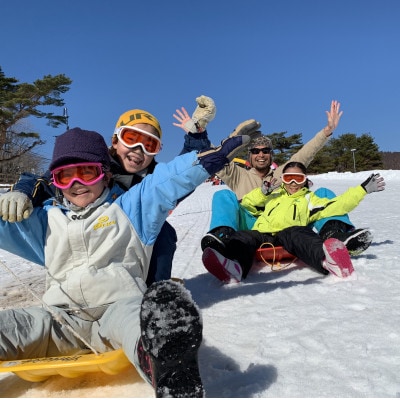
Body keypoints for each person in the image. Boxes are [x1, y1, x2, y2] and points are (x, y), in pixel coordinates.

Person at [0, 121, 257, 397]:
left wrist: (216, 154)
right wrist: (18, 194)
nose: (76, 185)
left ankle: (167, 365)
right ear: (56, 182)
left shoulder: (131, 209)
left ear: (106, 175)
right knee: (10, 327)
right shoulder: (45, 221)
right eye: (66, 177)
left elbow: (169, 180)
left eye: (87, 173)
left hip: (118, 309)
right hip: (58, 321)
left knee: (143, 322)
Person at [0, 97, 216, 286]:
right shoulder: (91, 163)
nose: (139, 150)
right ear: (115, 140)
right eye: (131, 139)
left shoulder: (152, 181)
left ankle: (154, 292)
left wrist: (196, 134)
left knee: (163, 231)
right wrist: (23, 193)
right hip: (78, 235)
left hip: (119, 242)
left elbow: (185, 171)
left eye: (149, 144)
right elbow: (46, 180)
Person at [198, 100, 372, 257]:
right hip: (252, 228)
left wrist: (326, 132)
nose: (261, 154)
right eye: (255, 151)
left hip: (287, 223)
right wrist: (203, 132)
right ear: (249, 156)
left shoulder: (281, 174)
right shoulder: (237, 175)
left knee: (323, 193)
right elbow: (213, 158)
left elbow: (303, 156)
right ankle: (223, 239)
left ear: (271, 155)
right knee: (222, 195)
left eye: (265, 151)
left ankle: (336, 235)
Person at [202, 161, 386, 283]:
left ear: (305, 180)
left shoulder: (309, 199)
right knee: (243, 238)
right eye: (288, 178)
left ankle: (328, 260)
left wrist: (362, 190)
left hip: (289, 234)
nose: (292, 183)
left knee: (300, 234)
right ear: (282, 180)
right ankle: (235, 267)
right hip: (263, 233)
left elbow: (337, 205)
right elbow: (247, 206)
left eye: (297, 178)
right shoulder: (273, 196)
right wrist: (262, 193)